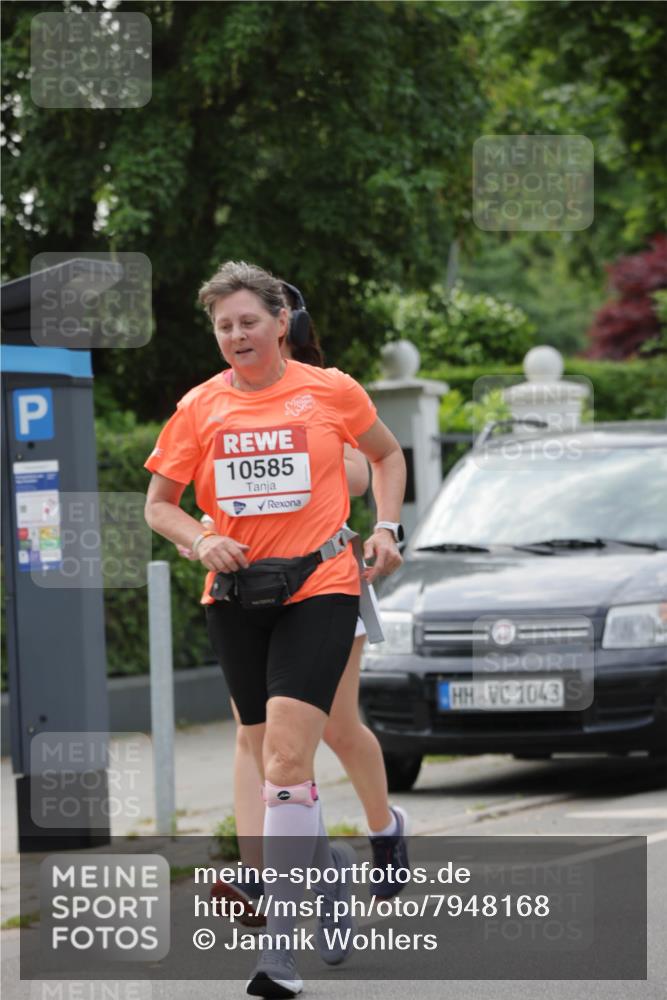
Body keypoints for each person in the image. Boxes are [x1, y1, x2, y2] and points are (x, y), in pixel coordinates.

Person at [144, 261, 406, 998]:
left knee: (290, 762)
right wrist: (199, 542)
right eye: (223, 326)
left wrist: (385, 527)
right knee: (264, 756)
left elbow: (384, 454)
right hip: (234, 596)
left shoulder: (330, 390)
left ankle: (277, 956)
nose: (235, 335)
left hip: (321, 585)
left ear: (279, 322)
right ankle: (328, 875)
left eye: (247, 321)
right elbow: (158, 504)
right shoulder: (197, 408)